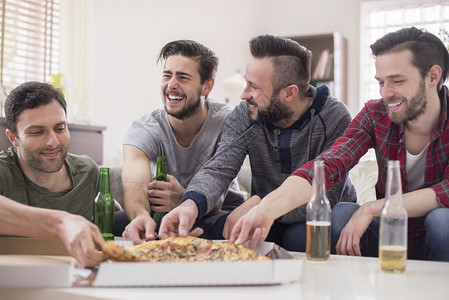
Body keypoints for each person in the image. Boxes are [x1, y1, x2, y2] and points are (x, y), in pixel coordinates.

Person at [230, 27, 449, 262]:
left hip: (436, 238)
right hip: (388, 236)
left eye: (397, 81)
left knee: (441, 221)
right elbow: (327, 165)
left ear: (432, 76)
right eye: (381, 82)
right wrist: (266, 209)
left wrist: (371, 208)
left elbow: (445, 191)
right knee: (342, 214)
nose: (386, 93)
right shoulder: (375, 115)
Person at [158, 34, 356, 252]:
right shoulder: (246, 114)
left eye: (254, 87)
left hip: (319, 217)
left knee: (299, 237)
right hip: (263, 217)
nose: (243, 95)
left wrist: (262, 202)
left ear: (289, 93)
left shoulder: (334, 118)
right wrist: (189, 206)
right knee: (205, 228)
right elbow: (219, 168)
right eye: (246, 82)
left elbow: (326, 196)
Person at [120, 39, 246, 244]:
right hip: (163, 217)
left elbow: (218, 195)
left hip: (219, 214)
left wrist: (185, 199)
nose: (171, 85)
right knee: (117, 223)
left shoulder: (229, 121)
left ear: (207, 86)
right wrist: (141, 216)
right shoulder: (144, 128)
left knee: (222, 226)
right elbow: (134, 182)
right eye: (167, 75)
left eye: (183, 77)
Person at [0, 81, 107, 267]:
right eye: (37, 132)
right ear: (13, 138)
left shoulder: (87, 173)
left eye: (60, 128)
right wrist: (61, 223)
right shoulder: (3, 171)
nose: (53, 142)